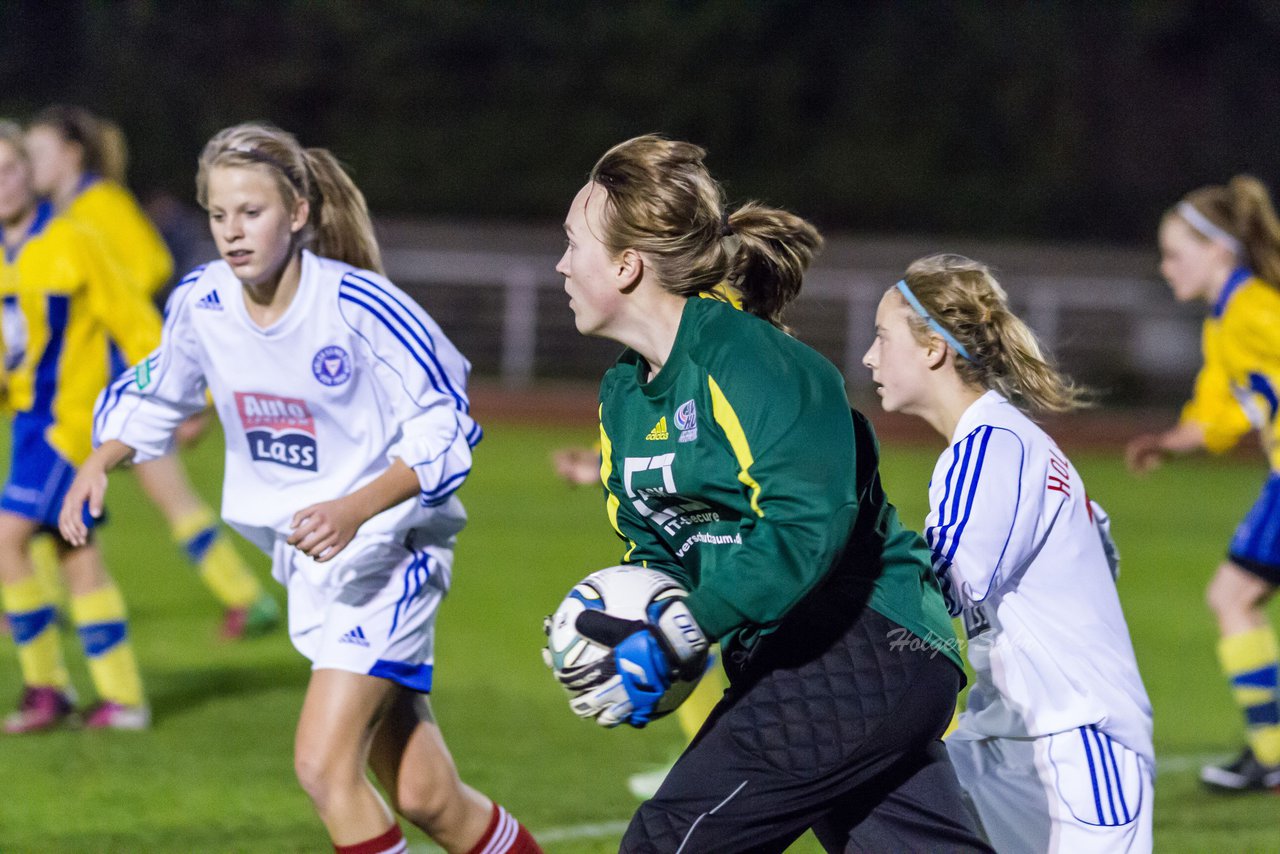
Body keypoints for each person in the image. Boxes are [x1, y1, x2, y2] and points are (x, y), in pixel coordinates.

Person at [60, 123, 539, 854]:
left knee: (322, 768)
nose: (232, 232)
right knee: (426, 796)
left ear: (298, 212)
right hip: (310, 569)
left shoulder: (359, 305)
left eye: (250, 212)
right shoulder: (205, 301)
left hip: (389, 554)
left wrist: (355, 510)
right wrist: (100, 459)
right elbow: (160, 390)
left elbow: (448, 425)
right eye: (218, 215)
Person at [552, 134, 989, 852]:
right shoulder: (622, 396)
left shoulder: (755, 361)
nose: (562, 264)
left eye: (574, 243)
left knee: (668, 842)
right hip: (791, 659)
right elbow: (656, 550)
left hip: (866, 640)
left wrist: (687, 626)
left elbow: (804, 528)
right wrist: (629, 627)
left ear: (627, 265)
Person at [863, 254, 1155, 851]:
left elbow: (935, 590)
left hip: (1073, 753)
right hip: (1007, 748)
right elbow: (1100, 542)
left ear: (932, 350)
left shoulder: (988, 447)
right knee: (862, 793)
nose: (869, 356)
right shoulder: (1010, 440)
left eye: (882, 337)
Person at [26, 104, 278, 639]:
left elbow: (151, 265)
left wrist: (106, 293)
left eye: (37, 152)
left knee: (57, 501)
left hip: (128, 379)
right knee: (73, 501)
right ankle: (244, 597)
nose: (26, 163)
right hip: (98, 385)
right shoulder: (60, 212)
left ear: (71, 154)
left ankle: (35, 607)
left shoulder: (99, 203)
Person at [0, 120, 156, 732]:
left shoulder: (74, 239)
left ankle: (45, 688)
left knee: (6, 540)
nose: (4, 184)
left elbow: (134, 319)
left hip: (70, 424)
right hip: (28, 426)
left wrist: (179, 398)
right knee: (74, 554)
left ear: (31, 176)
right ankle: (122, 700)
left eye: (12, 169)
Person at [1126, 175, 1280, 792]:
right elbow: (1216, 414)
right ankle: (1271, 749)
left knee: (1232, 596)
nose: (1165, 268)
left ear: (1218, 250)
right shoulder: (1226, 321)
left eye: (1174, 254)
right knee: (1234, 595)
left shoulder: (1253, 309)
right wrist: (1168, 442)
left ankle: (1272, 753)